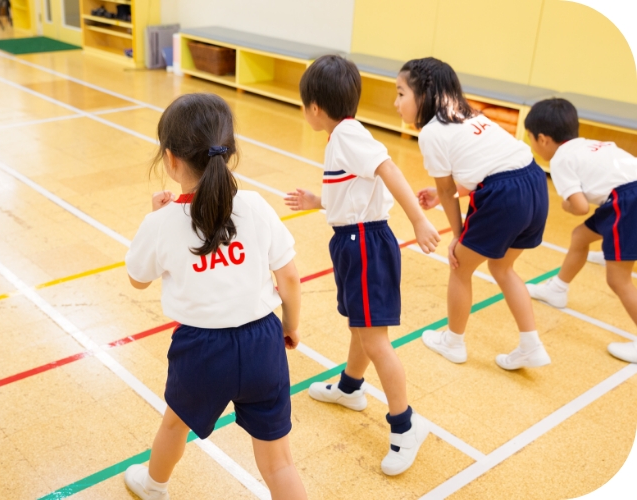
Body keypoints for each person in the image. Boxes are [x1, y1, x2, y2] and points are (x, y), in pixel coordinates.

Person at [123, 93, 307, 500]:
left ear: (170, 160)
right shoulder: (256, 206)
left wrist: (153, 217)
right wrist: (290, 326)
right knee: (280, 464)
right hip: (263, 342)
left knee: (174, 425)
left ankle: (154, 486)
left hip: (203, 351)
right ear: (229, 152)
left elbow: (137, 278)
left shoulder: (162, 222)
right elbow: (290, 278)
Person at [284, 55, 440, 476]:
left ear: (314, 107)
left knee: (375, 338)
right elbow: (357, 188)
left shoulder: (349, 135)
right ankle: (352, 387)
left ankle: (405, 426)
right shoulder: (341, 137)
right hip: (352, 241)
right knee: (361, 325)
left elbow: (387, 170)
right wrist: (321, 202)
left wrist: (420, 219)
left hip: (366, 243)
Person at [397, 57, 551, 371]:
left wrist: (457, 236)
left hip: (504, 195)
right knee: (503, 268)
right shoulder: (468, 114)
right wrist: (449, 195)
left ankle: (453, 342)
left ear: (424, 96)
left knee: (459, 266)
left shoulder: (431, 132)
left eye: (401, 93)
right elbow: (485, 170)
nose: (396, 102)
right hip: (534, 183)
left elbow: (449, 189)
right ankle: (530, 345)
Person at [524, 98, 637, 363]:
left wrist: (566, 203)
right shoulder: (588, 144)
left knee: (618, 279)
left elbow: (580, 207)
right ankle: (558, 289)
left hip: (628, 201)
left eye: (530, 139)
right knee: (580, 236)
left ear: (542, 139)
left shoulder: (561, 159)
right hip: (623, 196)